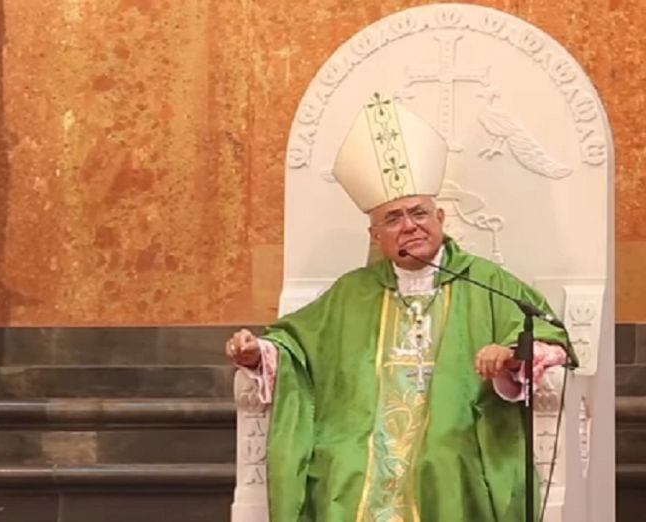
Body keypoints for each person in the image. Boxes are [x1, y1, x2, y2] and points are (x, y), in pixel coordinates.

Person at [225, 93, 573, 521]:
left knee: (441, 462)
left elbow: (550, 335)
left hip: (457, 432)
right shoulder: (353, 292)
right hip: (362, 435)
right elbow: (297, 343)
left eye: (418, 213)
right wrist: (256, 352)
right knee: (340, 466)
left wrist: (509, 356)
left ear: (440, 218)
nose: (410, 226)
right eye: (393, 218)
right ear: (376, 236)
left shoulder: (486, 281)